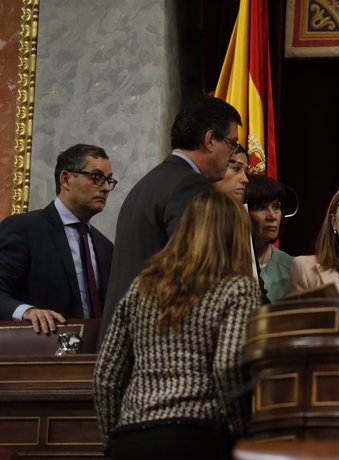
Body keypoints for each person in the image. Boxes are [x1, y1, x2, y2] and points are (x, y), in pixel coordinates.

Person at [94, 189, 261, 460]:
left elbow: (106, 376)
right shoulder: (237, 288)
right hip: (196, 435)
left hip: (132, 434)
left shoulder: (142, 286)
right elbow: (228, 365)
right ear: (236, 236)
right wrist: (241, 430)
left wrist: (113, 438)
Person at [101, 96, 242, 344]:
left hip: (128, 340)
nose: (232, 155)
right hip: (158, 347)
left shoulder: (150, 182)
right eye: (231, 144)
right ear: (210, 140)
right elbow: (196, 270)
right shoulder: (189, 186)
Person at [0, 144, 115, 334]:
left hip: (94, 356)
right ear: (66, 179)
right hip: (39, 353)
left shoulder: (105, 247)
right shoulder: (23, 229)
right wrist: (27, 311)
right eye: (96, 177)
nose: (105, 188)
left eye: (108, 180)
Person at [244, 174, 294, 303]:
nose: (272, 216)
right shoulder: (226, 261)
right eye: (261, 208)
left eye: (276, 207)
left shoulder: (293, 267)